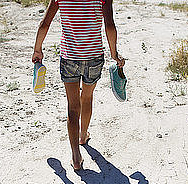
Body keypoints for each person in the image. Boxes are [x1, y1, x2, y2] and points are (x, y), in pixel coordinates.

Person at [32, 0, 125, 171]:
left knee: (72, 107)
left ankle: (76, 155)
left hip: (69, 58)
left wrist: (37, 49)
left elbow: (45, 23)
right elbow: (109, 25)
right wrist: (114, 53)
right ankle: (83, 135)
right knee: (87, 97)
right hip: (94, 57)